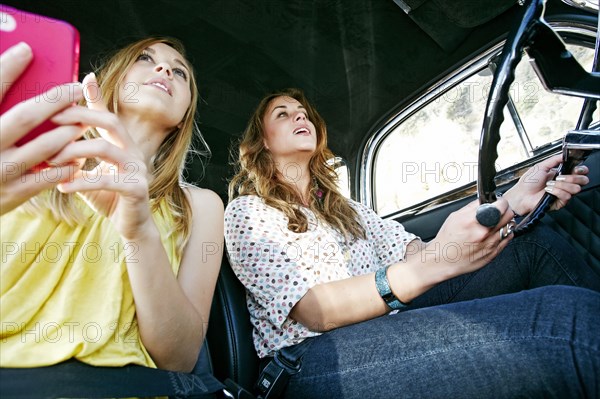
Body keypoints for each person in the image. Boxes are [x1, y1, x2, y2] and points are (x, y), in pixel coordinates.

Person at [225, 88, 600, 398]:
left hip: (383, 322)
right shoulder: (249, 212)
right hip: (310, 359)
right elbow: (315, 311)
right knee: (567, 321)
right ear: (261, 143)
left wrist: (512, 203)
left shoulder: (348, 209)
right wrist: (428, 267)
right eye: (283, 114)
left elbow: (416, 253)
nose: (300, 117)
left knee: (530, 245)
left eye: (304, 112)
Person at [0, 38, 224, 373]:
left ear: (183, 117)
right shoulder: (30, 162)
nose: (165, 69)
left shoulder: (200, 205)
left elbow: (180, 358)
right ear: (111, 83)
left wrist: (140, 234)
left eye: (181, 73)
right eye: (146, 58)